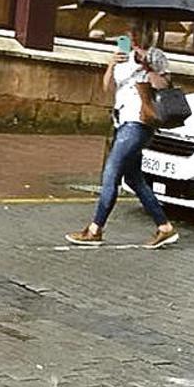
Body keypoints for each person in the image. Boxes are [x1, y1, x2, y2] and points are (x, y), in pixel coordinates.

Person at [66, 31, 179, 249]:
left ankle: (95, 229)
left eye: (135, 33)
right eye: (128, 34)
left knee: (111, 173)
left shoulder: (155, 55)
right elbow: (107, 87)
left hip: (139, 122)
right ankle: (164, 227)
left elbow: (164, 86)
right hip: (122, 122)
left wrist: (147, 65)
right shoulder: (122, 55)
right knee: (135, 179)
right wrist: (111, 63)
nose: (130, 37)